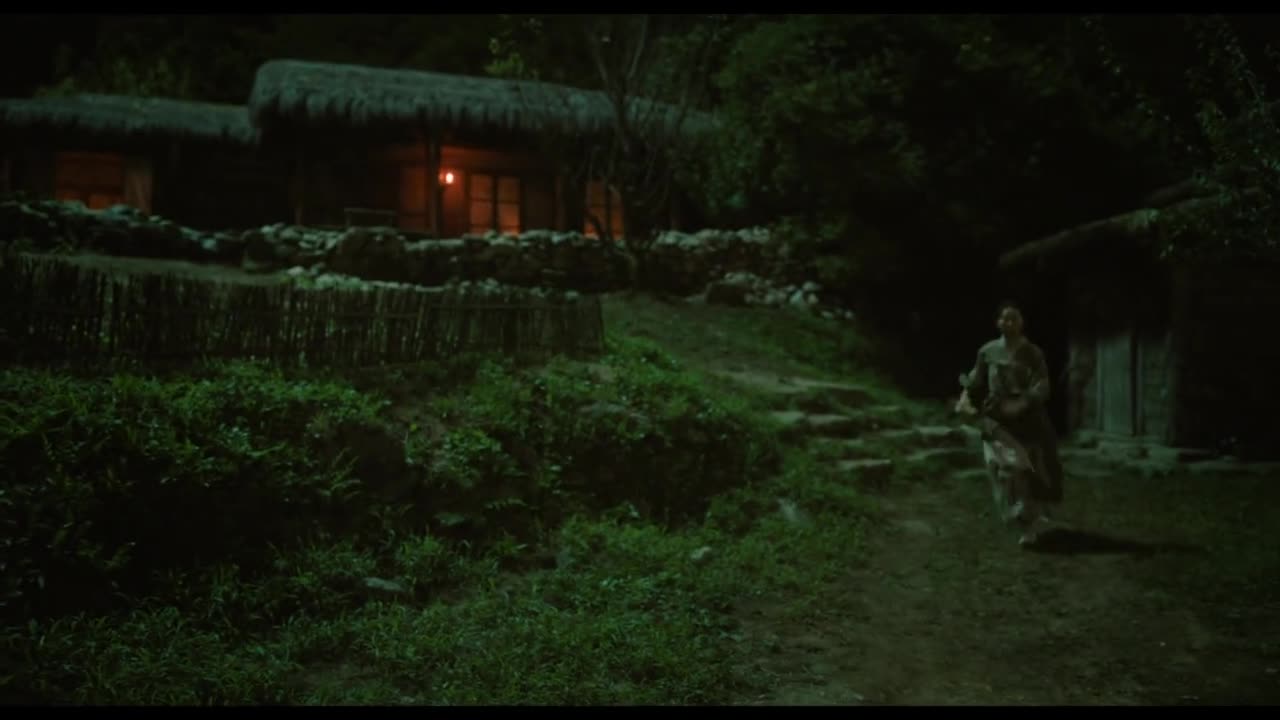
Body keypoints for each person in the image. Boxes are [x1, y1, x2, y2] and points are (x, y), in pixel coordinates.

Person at [954, 301, 1065, 547]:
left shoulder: (1033, 353)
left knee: (1024, 470)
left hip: (1026, 419)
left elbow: (1043, 385)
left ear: (1022, 322)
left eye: (1014, 318)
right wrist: (964, 398)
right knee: (998, 468)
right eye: (1005, 318)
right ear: (998, 322)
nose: (1009, 323)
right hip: (995, 418)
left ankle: (1029, 526)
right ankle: (1015, 513)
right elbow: (974, 380)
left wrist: (1023, 402)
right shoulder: (987, 351)